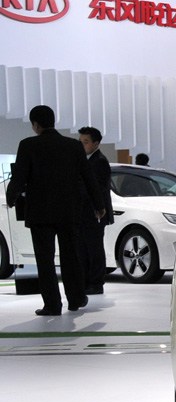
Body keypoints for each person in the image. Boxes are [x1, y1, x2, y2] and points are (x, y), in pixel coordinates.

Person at [4, 105, 106, 316]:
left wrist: (11, 198)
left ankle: (52, 305)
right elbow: (88, 177)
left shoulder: (28, 145)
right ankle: (76, 298)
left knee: (45, 260)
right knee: (71, 256)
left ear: (35, 125)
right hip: (69, 211)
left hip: (40, 213)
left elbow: (19, 177)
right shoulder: (73, 146)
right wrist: (99, 205)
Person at [77, 126, 114, 295]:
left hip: (95, 212)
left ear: (96, 143)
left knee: (94, 249)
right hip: (84, 213)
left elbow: (98, 189)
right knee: (84, 249)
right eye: (80, 141)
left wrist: (98, 207)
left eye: (85, 142)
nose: (82, 145)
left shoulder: (99, 161)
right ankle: (86, 282)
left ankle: (96, 283)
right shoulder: (84, 160)